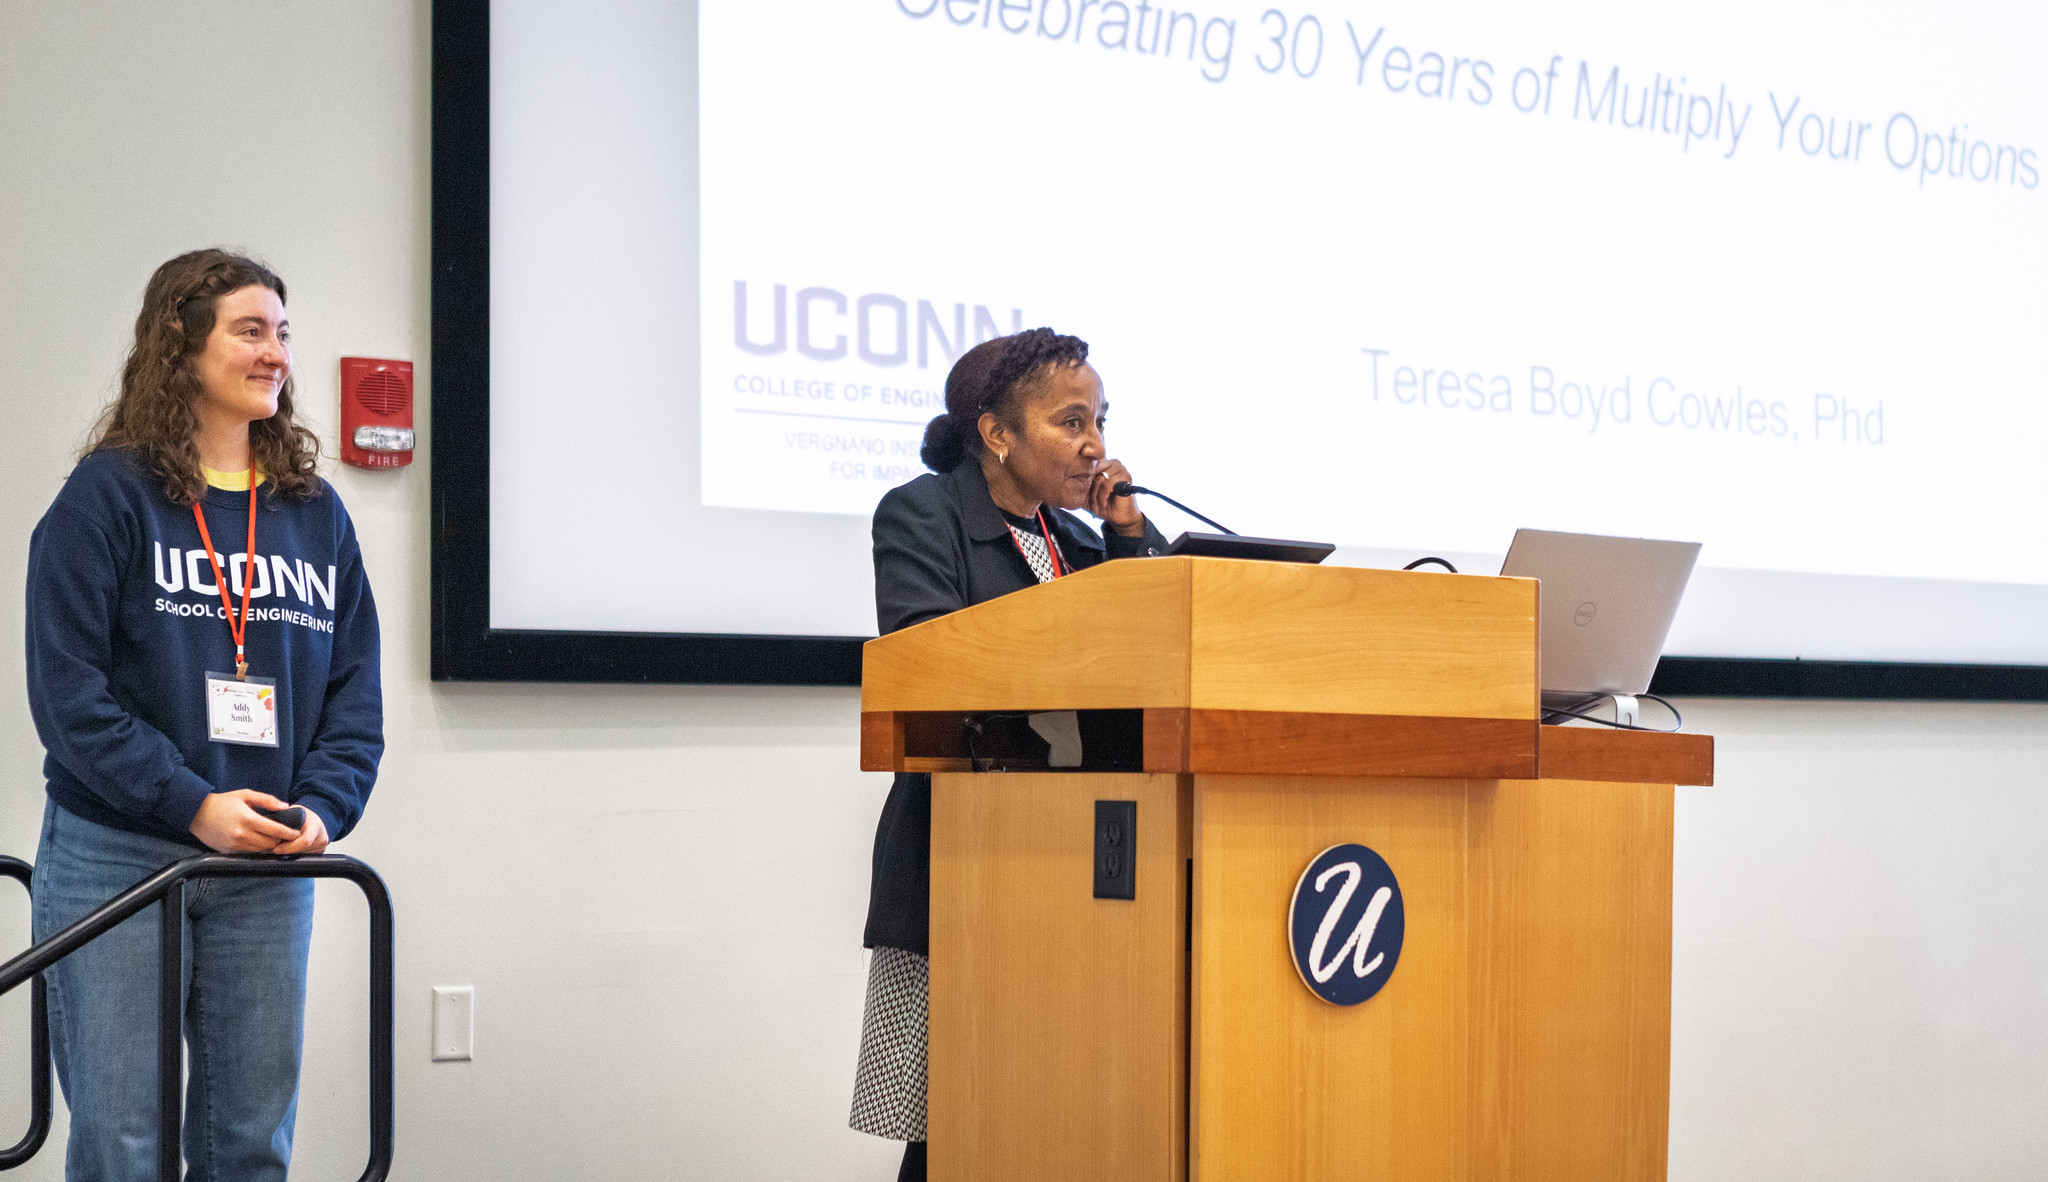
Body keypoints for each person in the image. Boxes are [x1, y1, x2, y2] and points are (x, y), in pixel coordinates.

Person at [25, 249, 383, 1181]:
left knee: (250, 1144)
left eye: (283, 334)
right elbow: (70, 695)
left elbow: (354, 694)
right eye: (250, 331)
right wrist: (191, 803)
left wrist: (323, 810)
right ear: (181, 348)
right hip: (120, 853)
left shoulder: (315, 515)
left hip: (267, 864)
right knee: (123, 1145)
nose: (276, 354)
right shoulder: (106, 497)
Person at [848, 328, 1168, 1180]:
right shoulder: (922, 513)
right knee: (954, 1118)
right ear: (997, 434)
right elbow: (929, 653)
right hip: (972, 852)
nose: (1095, 443)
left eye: (1098, 420)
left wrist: (1130, 532)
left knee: (1058, 1102)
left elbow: (1168, 635)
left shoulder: (1083, 543)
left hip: (1088, 861)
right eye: (1070, 422)